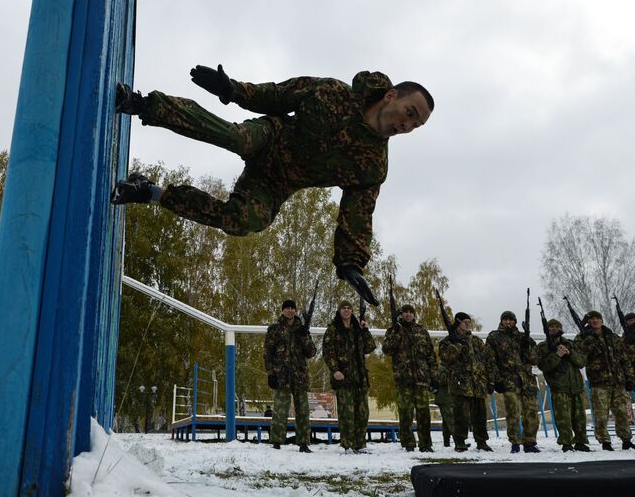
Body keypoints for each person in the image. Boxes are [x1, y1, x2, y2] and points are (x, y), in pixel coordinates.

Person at [111, 65, 434, 306]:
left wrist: (351, 263)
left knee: (244, 221)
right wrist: (232, 89)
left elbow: (358, 216)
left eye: (415, 125)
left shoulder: (373, 165)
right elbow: (278, 96)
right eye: (409, 113)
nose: (406, 125)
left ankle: (150, 192)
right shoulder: (333, 93)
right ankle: (142, 104)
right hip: (271, 137)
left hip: (277, 183)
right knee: (235, 137)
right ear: (391, 95)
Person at [574, 310, 635, 451]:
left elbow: (624, 358)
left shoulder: (612, 337)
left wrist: (629, 377)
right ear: (588, 322)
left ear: (602, 320)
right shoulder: (582, 337)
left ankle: (626, 440)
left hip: (618, 382)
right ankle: (605, 442)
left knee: (622, 413)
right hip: (599, 382)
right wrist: (588, 338)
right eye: (592, 319)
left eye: (597, 318)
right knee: (601, 414)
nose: (595, 321)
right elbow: (580, 355)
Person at [381, 304, 438, 452]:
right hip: (403, 378)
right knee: (405, 412)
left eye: (410, 312)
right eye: (405, 312)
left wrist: (434, 375)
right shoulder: (394, 330)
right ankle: (408, 443)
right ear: (400, 315)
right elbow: (387, 349)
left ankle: (426, 444)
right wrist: (395, 332)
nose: (408, 315)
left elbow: (430, 354)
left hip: (421, 378)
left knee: (424, 413)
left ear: (414, 314)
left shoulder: (421, 331)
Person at [322, 300, 377, 454]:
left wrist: (365, 330)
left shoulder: (357, 328)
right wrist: (335, 370)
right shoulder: (333, 329)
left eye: (349, 308)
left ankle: (360, 444)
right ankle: (348, 445)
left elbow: (370, 347)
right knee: (347, 413)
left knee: (362, 412)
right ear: (339, 311)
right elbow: (328, 352)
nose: (346, 311)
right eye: (343, 308)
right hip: (343, 377)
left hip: (359, 378)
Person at [439, 312, 497, 452]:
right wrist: (457, 344)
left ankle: (481, 441)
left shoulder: (476, 341)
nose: (467, 324)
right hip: (460, 385)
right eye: (464, 321)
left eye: (468, 322)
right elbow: (446, 358)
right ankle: (460, 442)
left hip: (478, 385)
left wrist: (491, 381)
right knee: (461, 416)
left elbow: (489, 360)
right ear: (457, 323)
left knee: (480, 416)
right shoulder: (448, 341)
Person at [263, 299, 317, 453]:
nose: (290, 311)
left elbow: (312, 352)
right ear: (282, 311)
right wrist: (270, 374)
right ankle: (276, 441)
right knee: (280, 410)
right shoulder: (275, 329)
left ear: (296, 310)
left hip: (300, 376)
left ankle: (303, 443)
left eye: (293, 308)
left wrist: (304, 336)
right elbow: (268, 354)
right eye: (287, 308)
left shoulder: (302, 329)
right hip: (281, 376)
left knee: (303, 411)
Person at [486, 311, 540, 453]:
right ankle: (515, 442)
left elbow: (534, 359)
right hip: (509, 380)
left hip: (527, 381)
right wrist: (496, 380)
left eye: (510, 320)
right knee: (513, 413)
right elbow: (490, 361)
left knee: (531, 412)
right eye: (505, 320)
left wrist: (527, 345)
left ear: (515, 321)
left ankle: (530, 442)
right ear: (501, 321)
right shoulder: (494, 337)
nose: (508, 322)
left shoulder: (523, 337)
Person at [536, 319, 591, 452]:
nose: (554, 329)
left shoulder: (570, 344)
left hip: (576, 386)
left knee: (579, 417)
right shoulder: (543, 347)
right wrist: (557, 355)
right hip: (559, 387)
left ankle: (581, 442)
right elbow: (543, 365)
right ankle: (566, 443)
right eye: (551, 327)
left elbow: (581, 361)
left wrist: (569, 353)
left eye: (556, 326)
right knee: (563, 418)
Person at [433, 361, 455, 448]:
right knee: (451, 420)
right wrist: (454, 377)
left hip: (446, 398)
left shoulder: (445, 368)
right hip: (444, 398)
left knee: (446, 422)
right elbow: (443, 381)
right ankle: (458, 441)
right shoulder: (442, 368)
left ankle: (446, 442)